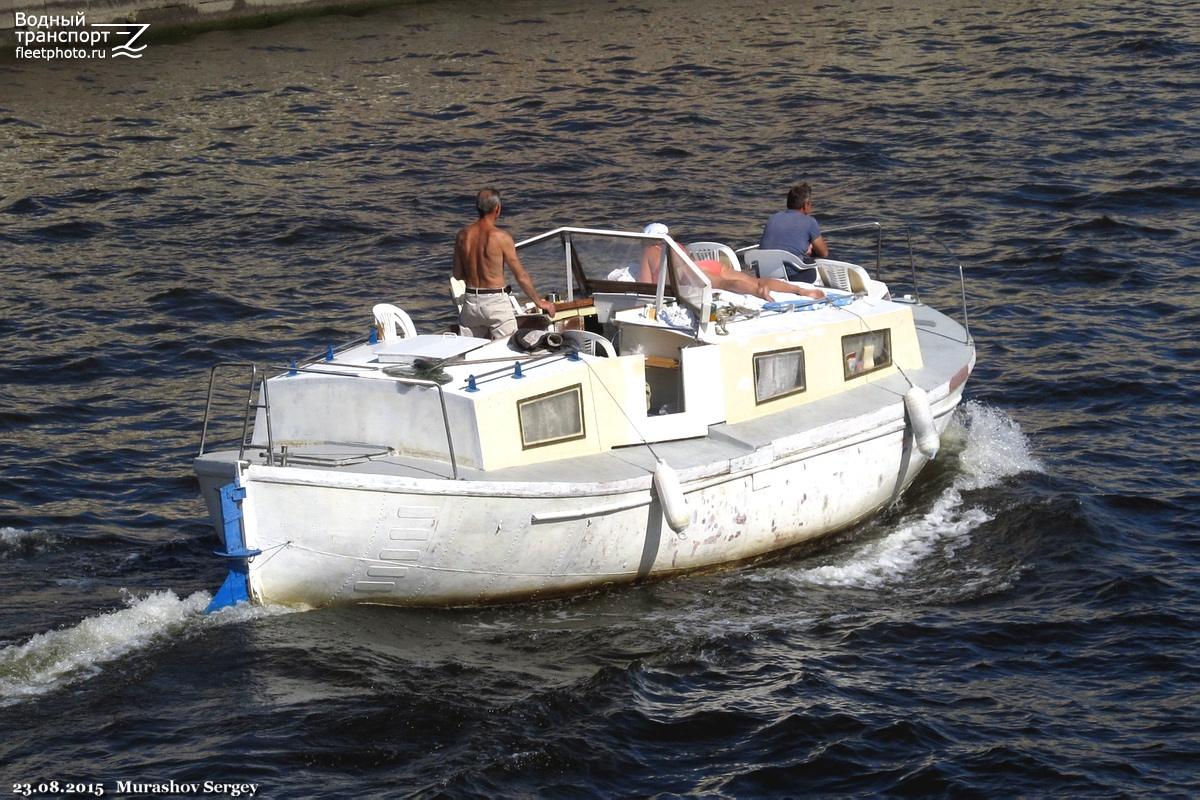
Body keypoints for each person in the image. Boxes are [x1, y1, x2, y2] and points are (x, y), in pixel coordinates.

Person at [453, 188, 554, 340]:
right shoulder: (501, 237)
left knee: (468, 352)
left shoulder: (462, 235)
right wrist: (539, 302)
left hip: (470, 304)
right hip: (495, 303)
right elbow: (521, 276)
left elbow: (458, 274)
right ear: (497, 209)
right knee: (509, 348)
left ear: (477, 208)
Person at [638, 223, 824, 302]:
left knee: (724, 284)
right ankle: (800, 290)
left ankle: (759, 292)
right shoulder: (676, 245)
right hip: (703, 265)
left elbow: (644, 286)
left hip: (685, 274)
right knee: (757, 279)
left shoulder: (648, 250)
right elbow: (688, 261)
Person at [760, 183, 829, 267]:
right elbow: (824, 253)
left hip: (765, 271)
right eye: (810, 203)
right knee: (830, 258)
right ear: (805, 205)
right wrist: (813, 251)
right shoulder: (810, 221)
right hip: (791, 274)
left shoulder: (773, 218)